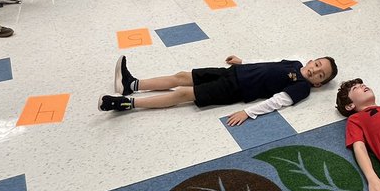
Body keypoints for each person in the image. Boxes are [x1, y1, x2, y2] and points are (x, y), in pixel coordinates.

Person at [101, 54, 337, 124]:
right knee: (182, 76)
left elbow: (278, 100)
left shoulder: (301, 88)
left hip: (235, 89)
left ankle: (126, 103)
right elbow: (268, 66)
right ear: (310, 60)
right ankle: (131, 85)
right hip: (233, 72)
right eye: (317, 65)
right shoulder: (294, 63)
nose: (315, 71)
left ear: (318, 83)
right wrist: (242, 63)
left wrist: (249, 112)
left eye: (320, 75)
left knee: (183, 94)